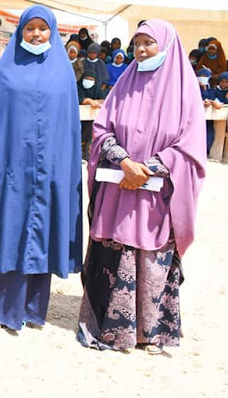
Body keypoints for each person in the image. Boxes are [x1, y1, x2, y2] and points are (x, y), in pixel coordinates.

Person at [78, 19, 207, 355]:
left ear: (165, 45)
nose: (141, 50)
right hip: (119, 187)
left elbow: (189, 146)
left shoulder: (185, 91)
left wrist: (147, 168)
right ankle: (110, 331)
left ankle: (150, 332)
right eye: (137, 44)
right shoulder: (125, 83)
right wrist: (124, 162)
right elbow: (103, 129)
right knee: (116, 250)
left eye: (148, 43)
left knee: (150, 256)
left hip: (156, 195)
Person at [0, 5, 83, 332]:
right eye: (30, 28)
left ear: (53, 32)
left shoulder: (63, 72)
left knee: (36, 231)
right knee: (1, 227)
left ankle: (29, 308)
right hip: (7, 167)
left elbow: (68, 128)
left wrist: (60, 168)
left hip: (45, 172)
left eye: (43, 29)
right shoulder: (5, 68)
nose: (36, 34)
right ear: (21, 32)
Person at [78, 71, 108, 161]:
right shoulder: (77, 87)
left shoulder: (96, 89)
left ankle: (88, 156)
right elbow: (75, 98)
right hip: (77, 120)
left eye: (91, 80)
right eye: (86, 79)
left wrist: (96, 102)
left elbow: (104, 99)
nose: (88, 81)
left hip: (90, 120)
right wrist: (87, 101)